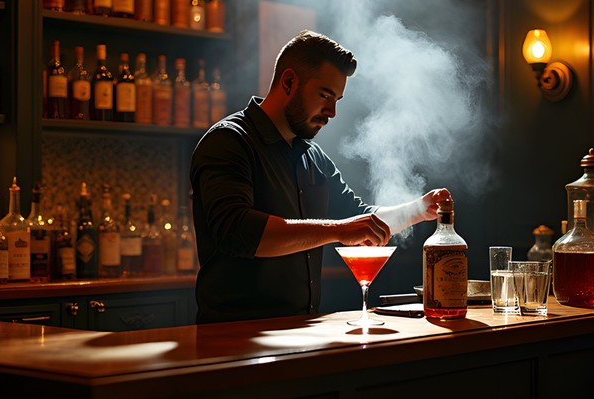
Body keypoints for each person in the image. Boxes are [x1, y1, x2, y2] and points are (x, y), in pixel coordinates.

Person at [190, 30, 451, 324]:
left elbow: (361, 221)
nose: (332, 111)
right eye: (325, 95)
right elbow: (238, 232)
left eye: (337, 99)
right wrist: (338, 230)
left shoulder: (313, 158)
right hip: (233, 338)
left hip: (300, 334)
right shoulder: (228, 141)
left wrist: (420, 208)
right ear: (289, 82)